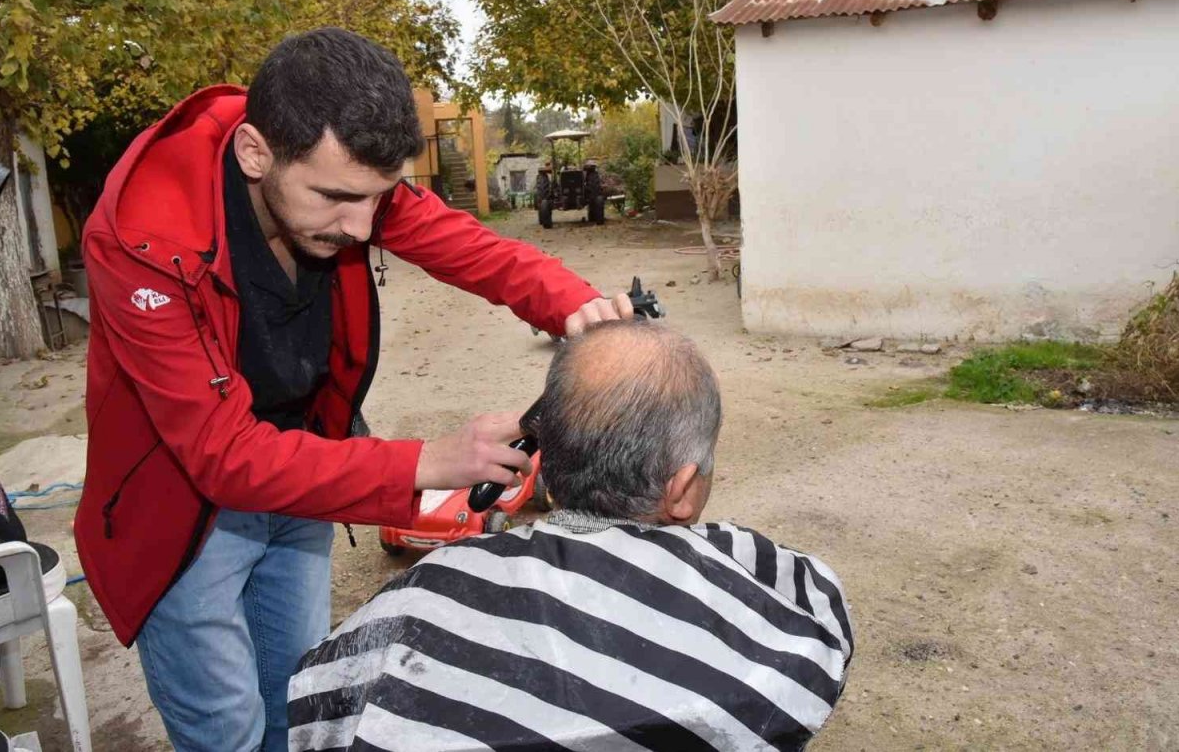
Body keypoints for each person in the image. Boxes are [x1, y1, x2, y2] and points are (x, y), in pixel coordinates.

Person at [74, 27, 633, 752]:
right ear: (254, 153)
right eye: (338, 199)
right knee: (227, 729)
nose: (362, 225)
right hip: (184, 509)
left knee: (299, 696)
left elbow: (469, 246)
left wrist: (573, 302)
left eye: (378, 198)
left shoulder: (341, 179)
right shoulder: (143, 238)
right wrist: (426, 462)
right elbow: (219, 454)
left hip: (306, 473)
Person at [288, 320, 854, 752]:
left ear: (545, 469)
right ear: (682, 490)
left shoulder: (416, 602)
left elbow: (318, 713)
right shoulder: (784, 594)